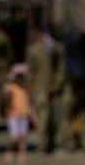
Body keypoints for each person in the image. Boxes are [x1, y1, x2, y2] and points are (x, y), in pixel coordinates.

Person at [26, 26, 64, 154]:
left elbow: (59, 68)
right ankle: (43, 144)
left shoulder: (54, 49)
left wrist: (57, 85)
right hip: (40, 89)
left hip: (51, 88)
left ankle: (50, 143)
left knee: (54, 116)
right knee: (44, 117)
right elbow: (30, 72)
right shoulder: (33, 51)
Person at [3, 64, 37, 164]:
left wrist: (34, 117)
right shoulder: (10, 87)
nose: (20, 78)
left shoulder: (27, 89)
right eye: (18, 76)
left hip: (24, 114)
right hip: (13, 115)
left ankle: (22, 156)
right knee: (14, 137)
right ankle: (9, 152)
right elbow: (5, 100)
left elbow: (30, 104)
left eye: (22, 76)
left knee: (24, 137)